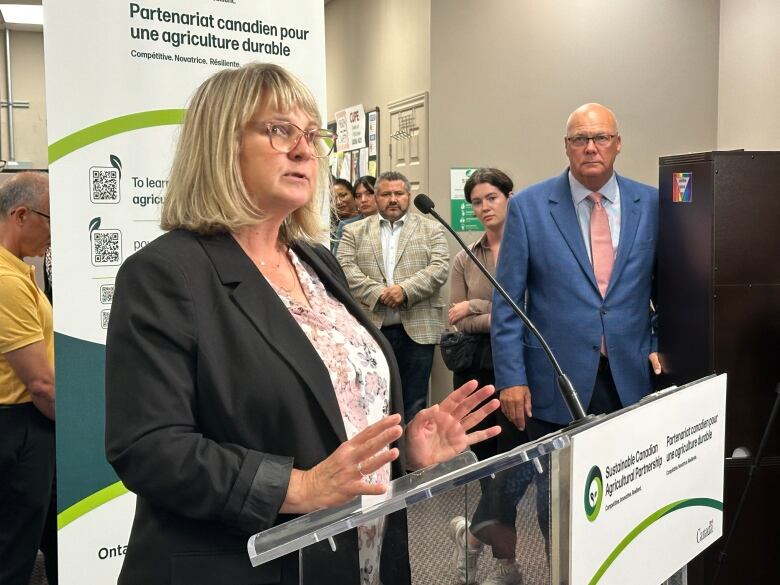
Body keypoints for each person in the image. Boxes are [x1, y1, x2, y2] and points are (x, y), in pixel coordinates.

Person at [104, 63, 500, 585]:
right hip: (245, 564)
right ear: (220, 144)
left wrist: (404, 452)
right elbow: (149, 447)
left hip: (361, 554)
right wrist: (298, 487)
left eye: (312, 135)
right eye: (280, 130)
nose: (304, 150)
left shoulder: (316, 261)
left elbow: (332, 411)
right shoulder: (165, 274)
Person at [492, 102, 660, 439]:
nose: (591, 147)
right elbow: (508, 304)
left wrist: (659, 340)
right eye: (580, 139)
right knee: (557, 488)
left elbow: (670, 290)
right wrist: (511, 378)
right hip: (555, 380)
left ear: (618, 143)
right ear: (566, 146)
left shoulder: (652, 204)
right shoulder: (528, 208)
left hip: (631, 373)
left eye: (601, 137)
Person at [445, 168, 526, 585]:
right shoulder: (465, 255)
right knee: (487, 470)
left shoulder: (527, 246)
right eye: (477, 201)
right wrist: (491, 314)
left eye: (492, 197)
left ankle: (472, 541)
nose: (484, 207)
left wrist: (477, 305)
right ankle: (507, 565)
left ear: (509, 197)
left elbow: (528, 317)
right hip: (476, 377)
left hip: (518, 373)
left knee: (513, 469)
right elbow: (456, 323)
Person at [337, 171, 449, 423]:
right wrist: (378, 293)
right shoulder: (354, 232)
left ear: (408, 196)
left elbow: (439, 268)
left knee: (415, 405)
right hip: (371, 330)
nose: (393, 199)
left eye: (399, 193)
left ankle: (411, 462)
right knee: (373, 403)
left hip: (417, 332)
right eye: (386, 194)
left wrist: (405, 290)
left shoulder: (431, 228)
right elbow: (344, 268)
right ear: (376, 198)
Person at [0, 172, 56, 585]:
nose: (53, 234)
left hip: (26, 426)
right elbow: (41, 385)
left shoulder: (17, 272)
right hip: (20, 427)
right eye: (49, 220)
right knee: (14, 556)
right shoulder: (7, 282)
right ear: (21, 215)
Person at [331, 175, 377, 255]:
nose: (363, 200)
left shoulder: (394, 221)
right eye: (358, 196)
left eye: (369, 193)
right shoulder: (345, 226)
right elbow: (338, 260)